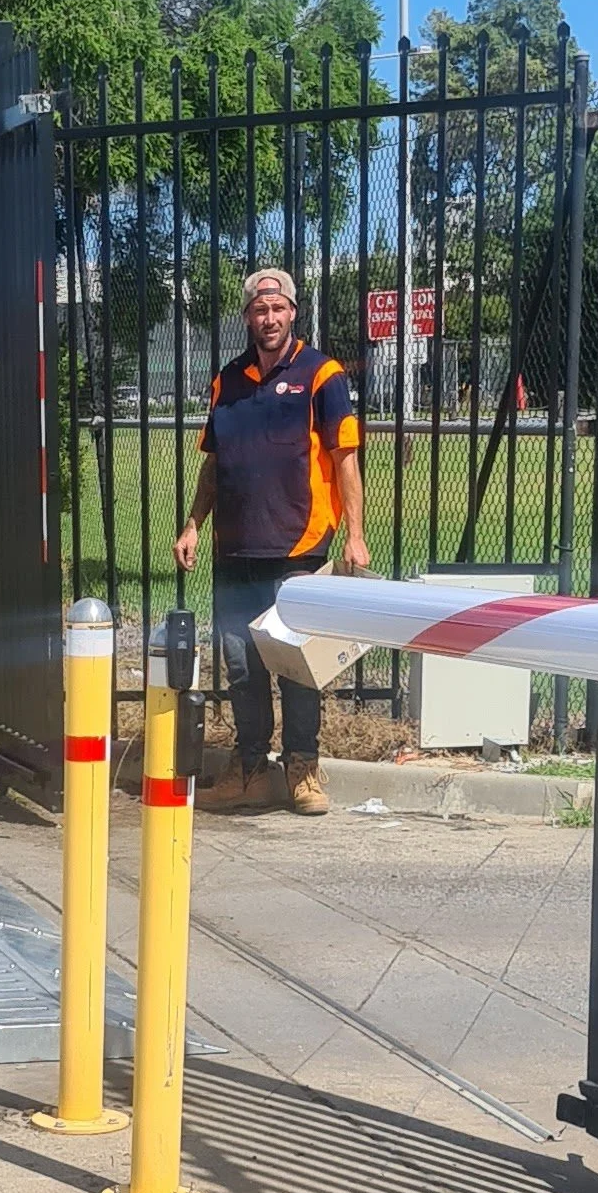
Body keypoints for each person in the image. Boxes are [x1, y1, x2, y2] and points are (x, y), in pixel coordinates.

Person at [175, 268, 369, 813]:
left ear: (292, 312)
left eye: (278, 308)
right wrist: (194, 524)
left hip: (300, 548)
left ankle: (303, 771)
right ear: (247, 318)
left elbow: (344, 458)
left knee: (298, 666)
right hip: (236, 550)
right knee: (242, 667)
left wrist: (355, 536)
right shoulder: (227, 381)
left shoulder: (321, 374)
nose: (269, 318)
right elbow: (213, 464)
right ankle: (251, 770)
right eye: (260, 311)